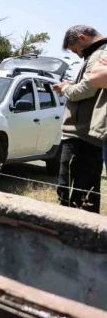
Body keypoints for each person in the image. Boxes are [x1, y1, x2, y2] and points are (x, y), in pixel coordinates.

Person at [52, 25, 107, 213]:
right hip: (82, 134)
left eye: (76, 50)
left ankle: (76, 237)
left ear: (82, 38)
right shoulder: (96, 53)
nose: (78, 55)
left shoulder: (101, 53)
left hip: (83, 135)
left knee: (80, 194)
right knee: (75, 191)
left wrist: (66, 89)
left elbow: (87, 88)